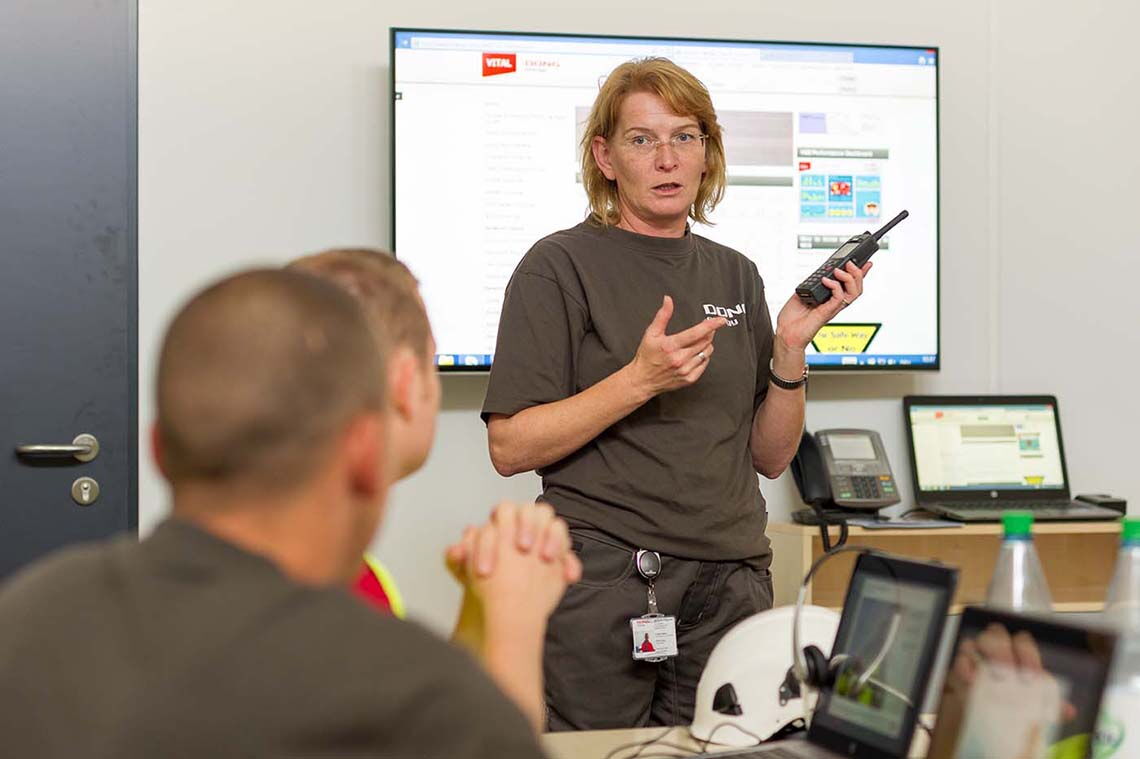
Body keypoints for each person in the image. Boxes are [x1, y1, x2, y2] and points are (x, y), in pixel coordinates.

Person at [0, 269, 575, 757]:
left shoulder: (28, 615)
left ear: (158, 451)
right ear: (365, 451)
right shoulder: (412, 695)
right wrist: (515, 623)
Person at [482, 57, 871, 730]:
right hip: (608, 580)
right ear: (605, 157)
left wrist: (789, 347)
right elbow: (510, 446)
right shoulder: (558, 265)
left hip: (733, 582)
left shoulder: (737, 273)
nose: (667, 159)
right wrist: (639, 380)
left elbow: (771, 457)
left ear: (706, 153)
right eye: (642, 139)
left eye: (684, 137)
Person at [288, 247, 581, 720]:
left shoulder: (349, 573)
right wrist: (516, 616)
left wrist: (480, 611)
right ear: (406, 384)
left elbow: (420, 722)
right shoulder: (326, 597)